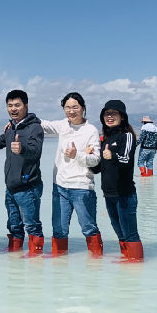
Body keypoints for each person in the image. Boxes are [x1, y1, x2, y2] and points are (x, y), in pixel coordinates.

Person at [39, 92, 103, 256]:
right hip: (60, 186)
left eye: (75, 107)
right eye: (67, 108)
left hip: (82, 187)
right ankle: (60, 264)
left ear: (83, 108)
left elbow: (95, 159)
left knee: (88, 227)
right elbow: (42, 124)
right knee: (59, 229)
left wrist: (77, 155)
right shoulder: (63, 125)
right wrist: (15, 122)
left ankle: (96, 263)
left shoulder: (91, 130)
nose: (71, 111)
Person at [0, 90, 45, 255]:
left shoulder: (35, 127)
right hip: (11, 187)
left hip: (28, 187)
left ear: (26, 106)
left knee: (32, 226)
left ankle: (36, 259)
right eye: (10, 105)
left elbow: (35, 151)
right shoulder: (11, 128)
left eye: (17, 105)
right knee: (14, 226)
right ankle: (14, 260)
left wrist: (22, 148)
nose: (13, 109)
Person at [91, 100, 143, 261]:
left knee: (130, 233)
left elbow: (126, 160)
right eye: (106, 114)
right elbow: (97, 169)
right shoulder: (104, 139)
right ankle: (127, 260)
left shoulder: (127, 136)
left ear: (122, 116)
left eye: (114, 113)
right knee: (119, 232)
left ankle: (136, 263)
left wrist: (112, 156)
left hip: (125, 194)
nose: (110, 117)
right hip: (109, 194)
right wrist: (88, 157)